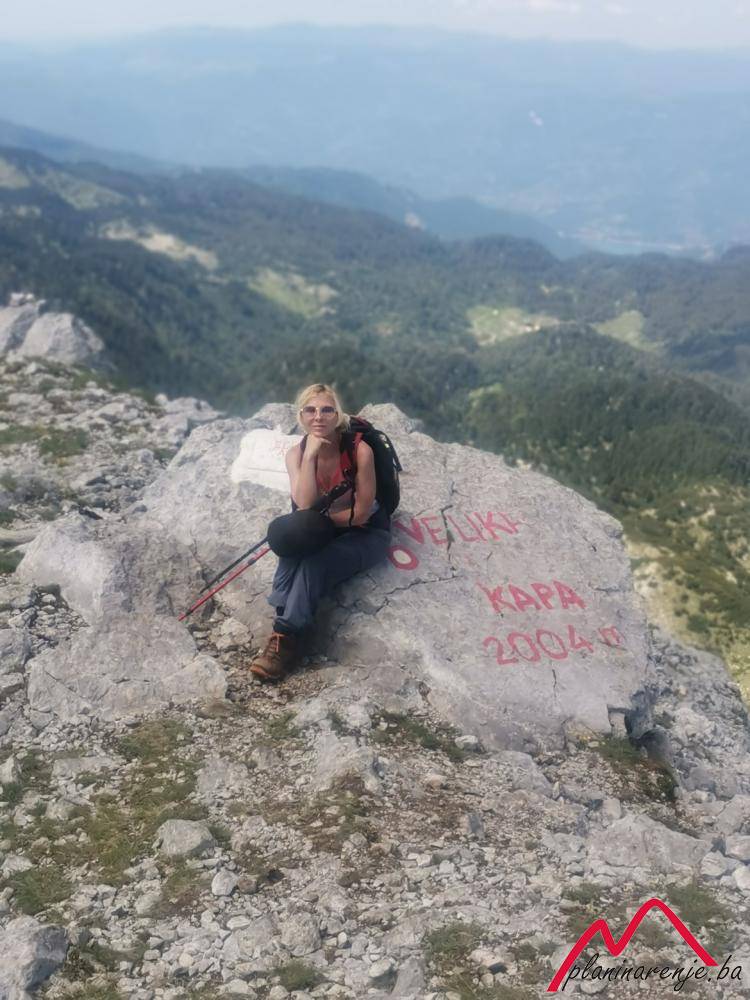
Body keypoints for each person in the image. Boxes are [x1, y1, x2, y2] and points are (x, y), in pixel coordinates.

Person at [249, 383, 392, 681]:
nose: (319, 416)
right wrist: (310, 457)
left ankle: (287, 637)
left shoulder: (359, 451)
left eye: (327, 410)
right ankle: (284, 619)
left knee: (315, 562)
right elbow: (304, 506)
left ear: (338, 415)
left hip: (367, 533)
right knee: (292, 545)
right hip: (326, 526)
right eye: (311, 410)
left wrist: (319, 526)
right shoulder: (296, 454)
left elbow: (361, 513)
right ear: (301, 415)